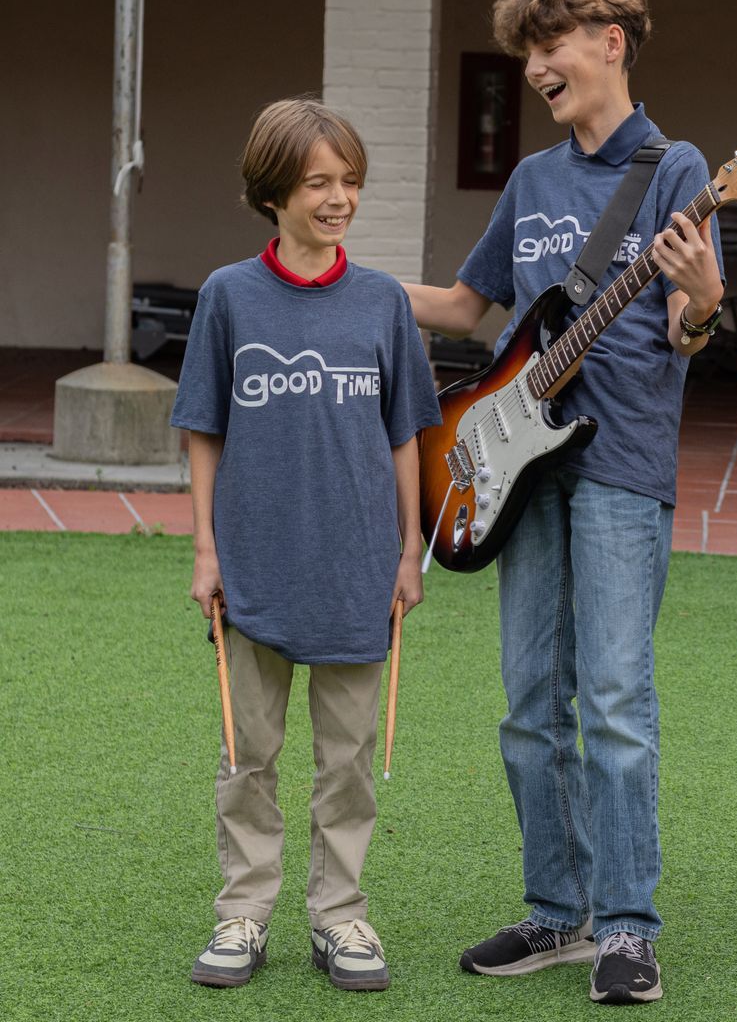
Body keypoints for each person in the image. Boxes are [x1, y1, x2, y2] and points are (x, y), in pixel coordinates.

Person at [403, 0, 723, 1006]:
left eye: (554, 43)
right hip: (511, 461)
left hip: (620, 458)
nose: (537, 65)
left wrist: (707, 296)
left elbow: (687, 328)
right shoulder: (534, 182)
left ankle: (628, 926)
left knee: (617, 698)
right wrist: (339, 280)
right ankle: (555, 909)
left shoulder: (677, 169)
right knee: (532, 702)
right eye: (527, 50)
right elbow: (467, 303)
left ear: (614, 42)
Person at [174, 98, 441, 993]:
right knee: (248, 754)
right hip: (254, 565)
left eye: (350, 181)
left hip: (360, 568)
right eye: (319, 182)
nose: (339, 199)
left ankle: (342, 917)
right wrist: (206, 550)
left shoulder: (381, 303)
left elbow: (407, 435)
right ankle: (243, 912)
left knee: (348, 760)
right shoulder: (227, 297)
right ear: (273, 192)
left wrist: (409, 552)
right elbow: (202, 430)